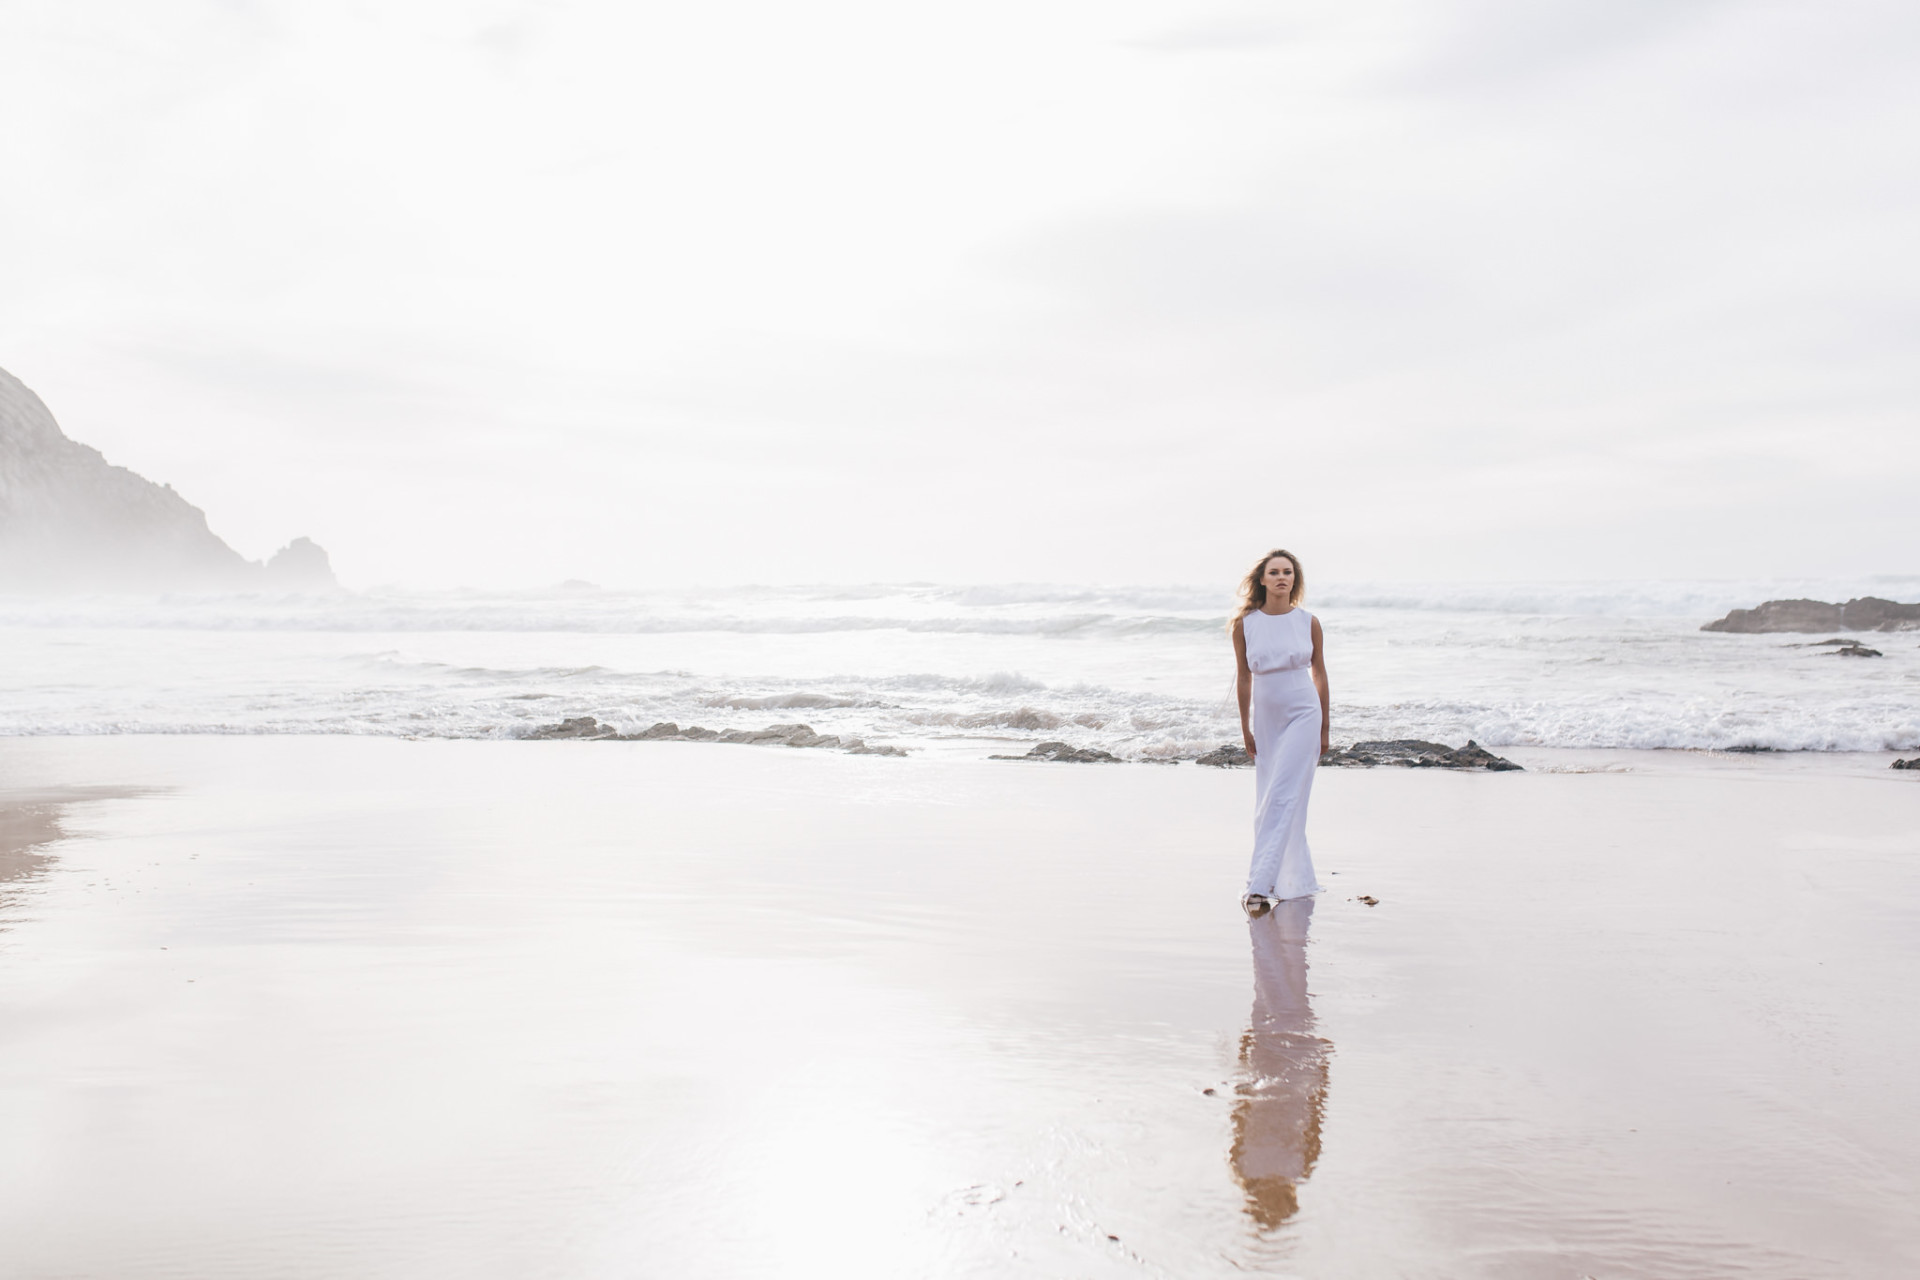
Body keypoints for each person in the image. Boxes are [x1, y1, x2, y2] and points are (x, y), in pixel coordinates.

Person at [1230, 549, 1329, 915]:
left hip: (1305, 711)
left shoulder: (1309, 621)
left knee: (1285, 796)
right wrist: (1244, 726)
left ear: (1294, 580)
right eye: (1274, 572)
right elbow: (1243, 677)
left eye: (1288, 572)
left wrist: (1324, 727)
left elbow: (1319, 673)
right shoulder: (1246, 624)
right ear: (1262, 579)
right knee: (1269, 799)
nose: (1281, 578)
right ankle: (1292, 880)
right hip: (1267, 718)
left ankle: (1256, 887)